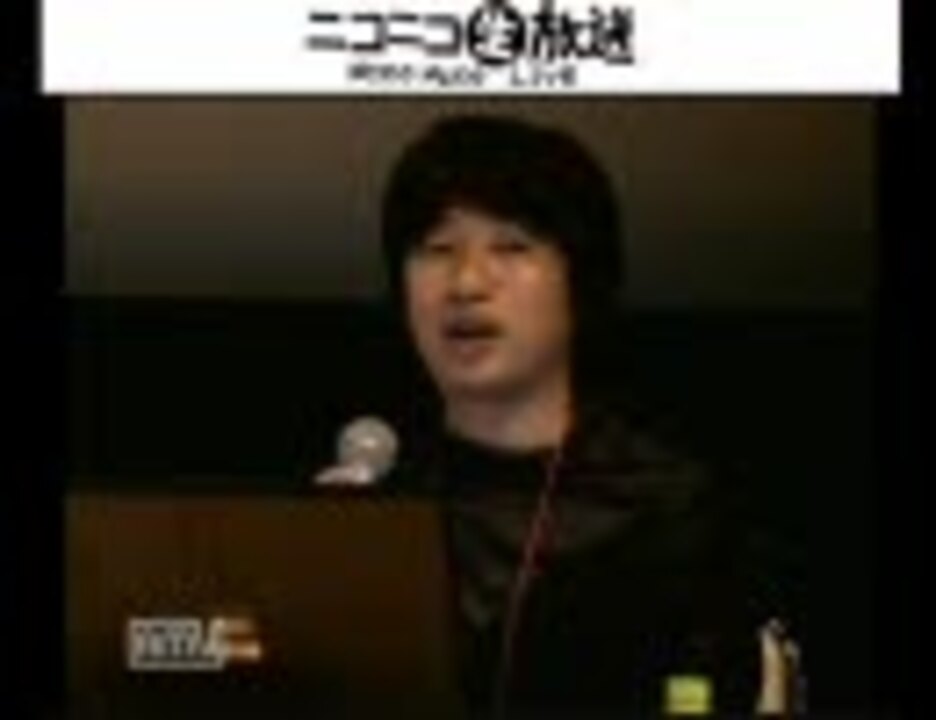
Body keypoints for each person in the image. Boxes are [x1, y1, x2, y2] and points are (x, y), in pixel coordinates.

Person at [378, 114, 794, 718]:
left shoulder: (670, 504)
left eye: (512, 246)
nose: (465, 282)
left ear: (582, 283)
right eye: (437, 249)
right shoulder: (378, 495)